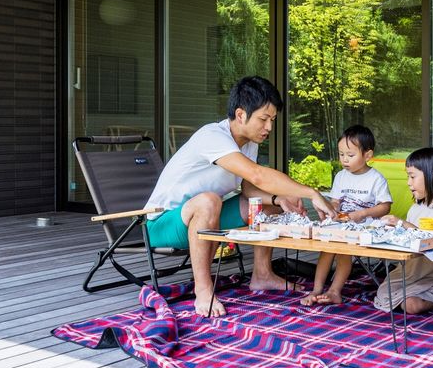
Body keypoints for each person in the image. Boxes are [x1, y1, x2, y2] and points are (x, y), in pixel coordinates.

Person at [144, 76, 336, 318]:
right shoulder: (212, 136)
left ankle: (262, 274)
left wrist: (278, 199)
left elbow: (248, 187)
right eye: (264, 119)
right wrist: (311, 193)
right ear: (241, 114)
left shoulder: (248, 143)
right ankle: (203, 289)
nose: (269, 127)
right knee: (209, 199)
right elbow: (257, 175)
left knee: (270, 206)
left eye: (272, 120)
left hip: (205, 218)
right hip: (161, 224)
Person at [303, 125, 393, 306]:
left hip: (365, 227)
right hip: (342, 224)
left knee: (343, 250)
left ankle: (334, 291)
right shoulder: (341, 176)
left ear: (367, 155)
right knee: (326, 248)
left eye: (350, 155)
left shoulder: (376, 178)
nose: (344, 159)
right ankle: (316, 290)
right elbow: (336, 201)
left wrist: (363, 213)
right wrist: (332, 210)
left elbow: (385, 207)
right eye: (341, 154)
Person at [374, 147, 433, 314]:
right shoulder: (415, 209)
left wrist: (403, 223)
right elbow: (408, 238)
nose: (408, 182)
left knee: (412, 306)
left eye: (412, 176)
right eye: (408, 176)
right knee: (383, 294)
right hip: (409, 272)